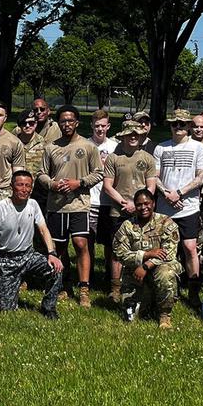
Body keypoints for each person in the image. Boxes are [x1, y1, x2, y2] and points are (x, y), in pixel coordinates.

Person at [37, 105, 103, 308]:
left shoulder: (88, 146)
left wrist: (79, 183)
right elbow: (41, 174)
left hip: (79, 204)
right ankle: (63, 285)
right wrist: (53, 184)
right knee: (60, 248)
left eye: (70, 120)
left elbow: (98, 173)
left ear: (77, 122)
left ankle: (84, 288)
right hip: (57, 206)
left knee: (81, 244)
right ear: (59, 123)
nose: (67, 124)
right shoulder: (51, 147)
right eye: (63, 121)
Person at [0, 171, 64, 318]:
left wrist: (52, 254)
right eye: (20, 185)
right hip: (6, 260)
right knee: (6, 309)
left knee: (56, 269)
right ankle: (1, 287)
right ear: (12, 186)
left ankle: (49, 308)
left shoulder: (33, 205)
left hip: (28, 255)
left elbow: (43, 229)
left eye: (28, 186)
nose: (24, 189)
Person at [101, 120, 157, 302]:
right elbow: (108, 185)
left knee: (142, 247)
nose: (133, 137)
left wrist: (138, 205)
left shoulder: (147, 158)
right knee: (118, 250)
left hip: (142, 211)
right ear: (123, 136)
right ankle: (115, 288)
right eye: (129, 134)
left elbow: (151, 185)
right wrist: (124, 203)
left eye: (137, 134)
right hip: (119, 211)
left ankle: (139, 283)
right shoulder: (114, 158)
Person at [154, 109, 203, 292]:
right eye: (174, 123)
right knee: (163, 248)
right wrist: (167, 194)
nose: (178, 127)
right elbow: (154, 176)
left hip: (188, 207)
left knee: (190, 247)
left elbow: (201, 176)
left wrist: (180, 193)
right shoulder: (161, 147)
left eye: (182, 124)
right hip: (164, 207)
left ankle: (193, 288)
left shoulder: (199, 148)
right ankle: (163, 285)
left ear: (189, 127)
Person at [112, 189, 182, 329]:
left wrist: (146, 265)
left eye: (146, 203)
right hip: (134, 275)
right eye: (139, 205)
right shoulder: (127, 226)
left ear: (153, 203)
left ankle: (164, 314)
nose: (143, 208)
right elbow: (119, 253)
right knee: (131, 315)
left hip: (160, 268)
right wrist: (146, 255)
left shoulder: (166, 222)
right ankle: (149, 302)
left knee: (165, 274)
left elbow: (169, 252)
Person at [88, 109, 118, 280]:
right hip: (89, 200)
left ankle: (109, 275)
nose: (100, 129)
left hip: (109, 201)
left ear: (108, 126)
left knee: (110, 242)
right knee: (88, 241)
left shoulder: (115, 147)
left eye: (103, 126)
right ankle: (89, 274)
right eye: (97, 126)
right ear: (92, 125)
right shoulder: (85, 144)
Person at [15, 109, 47, 210]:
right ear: (19, 125)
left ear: (36, 123)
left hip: (37, 195)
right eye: (24, 123)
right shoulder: (12, 143)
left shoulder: (45, 145)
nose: (28, 126)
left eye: (31, 123)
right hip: (15, 193)